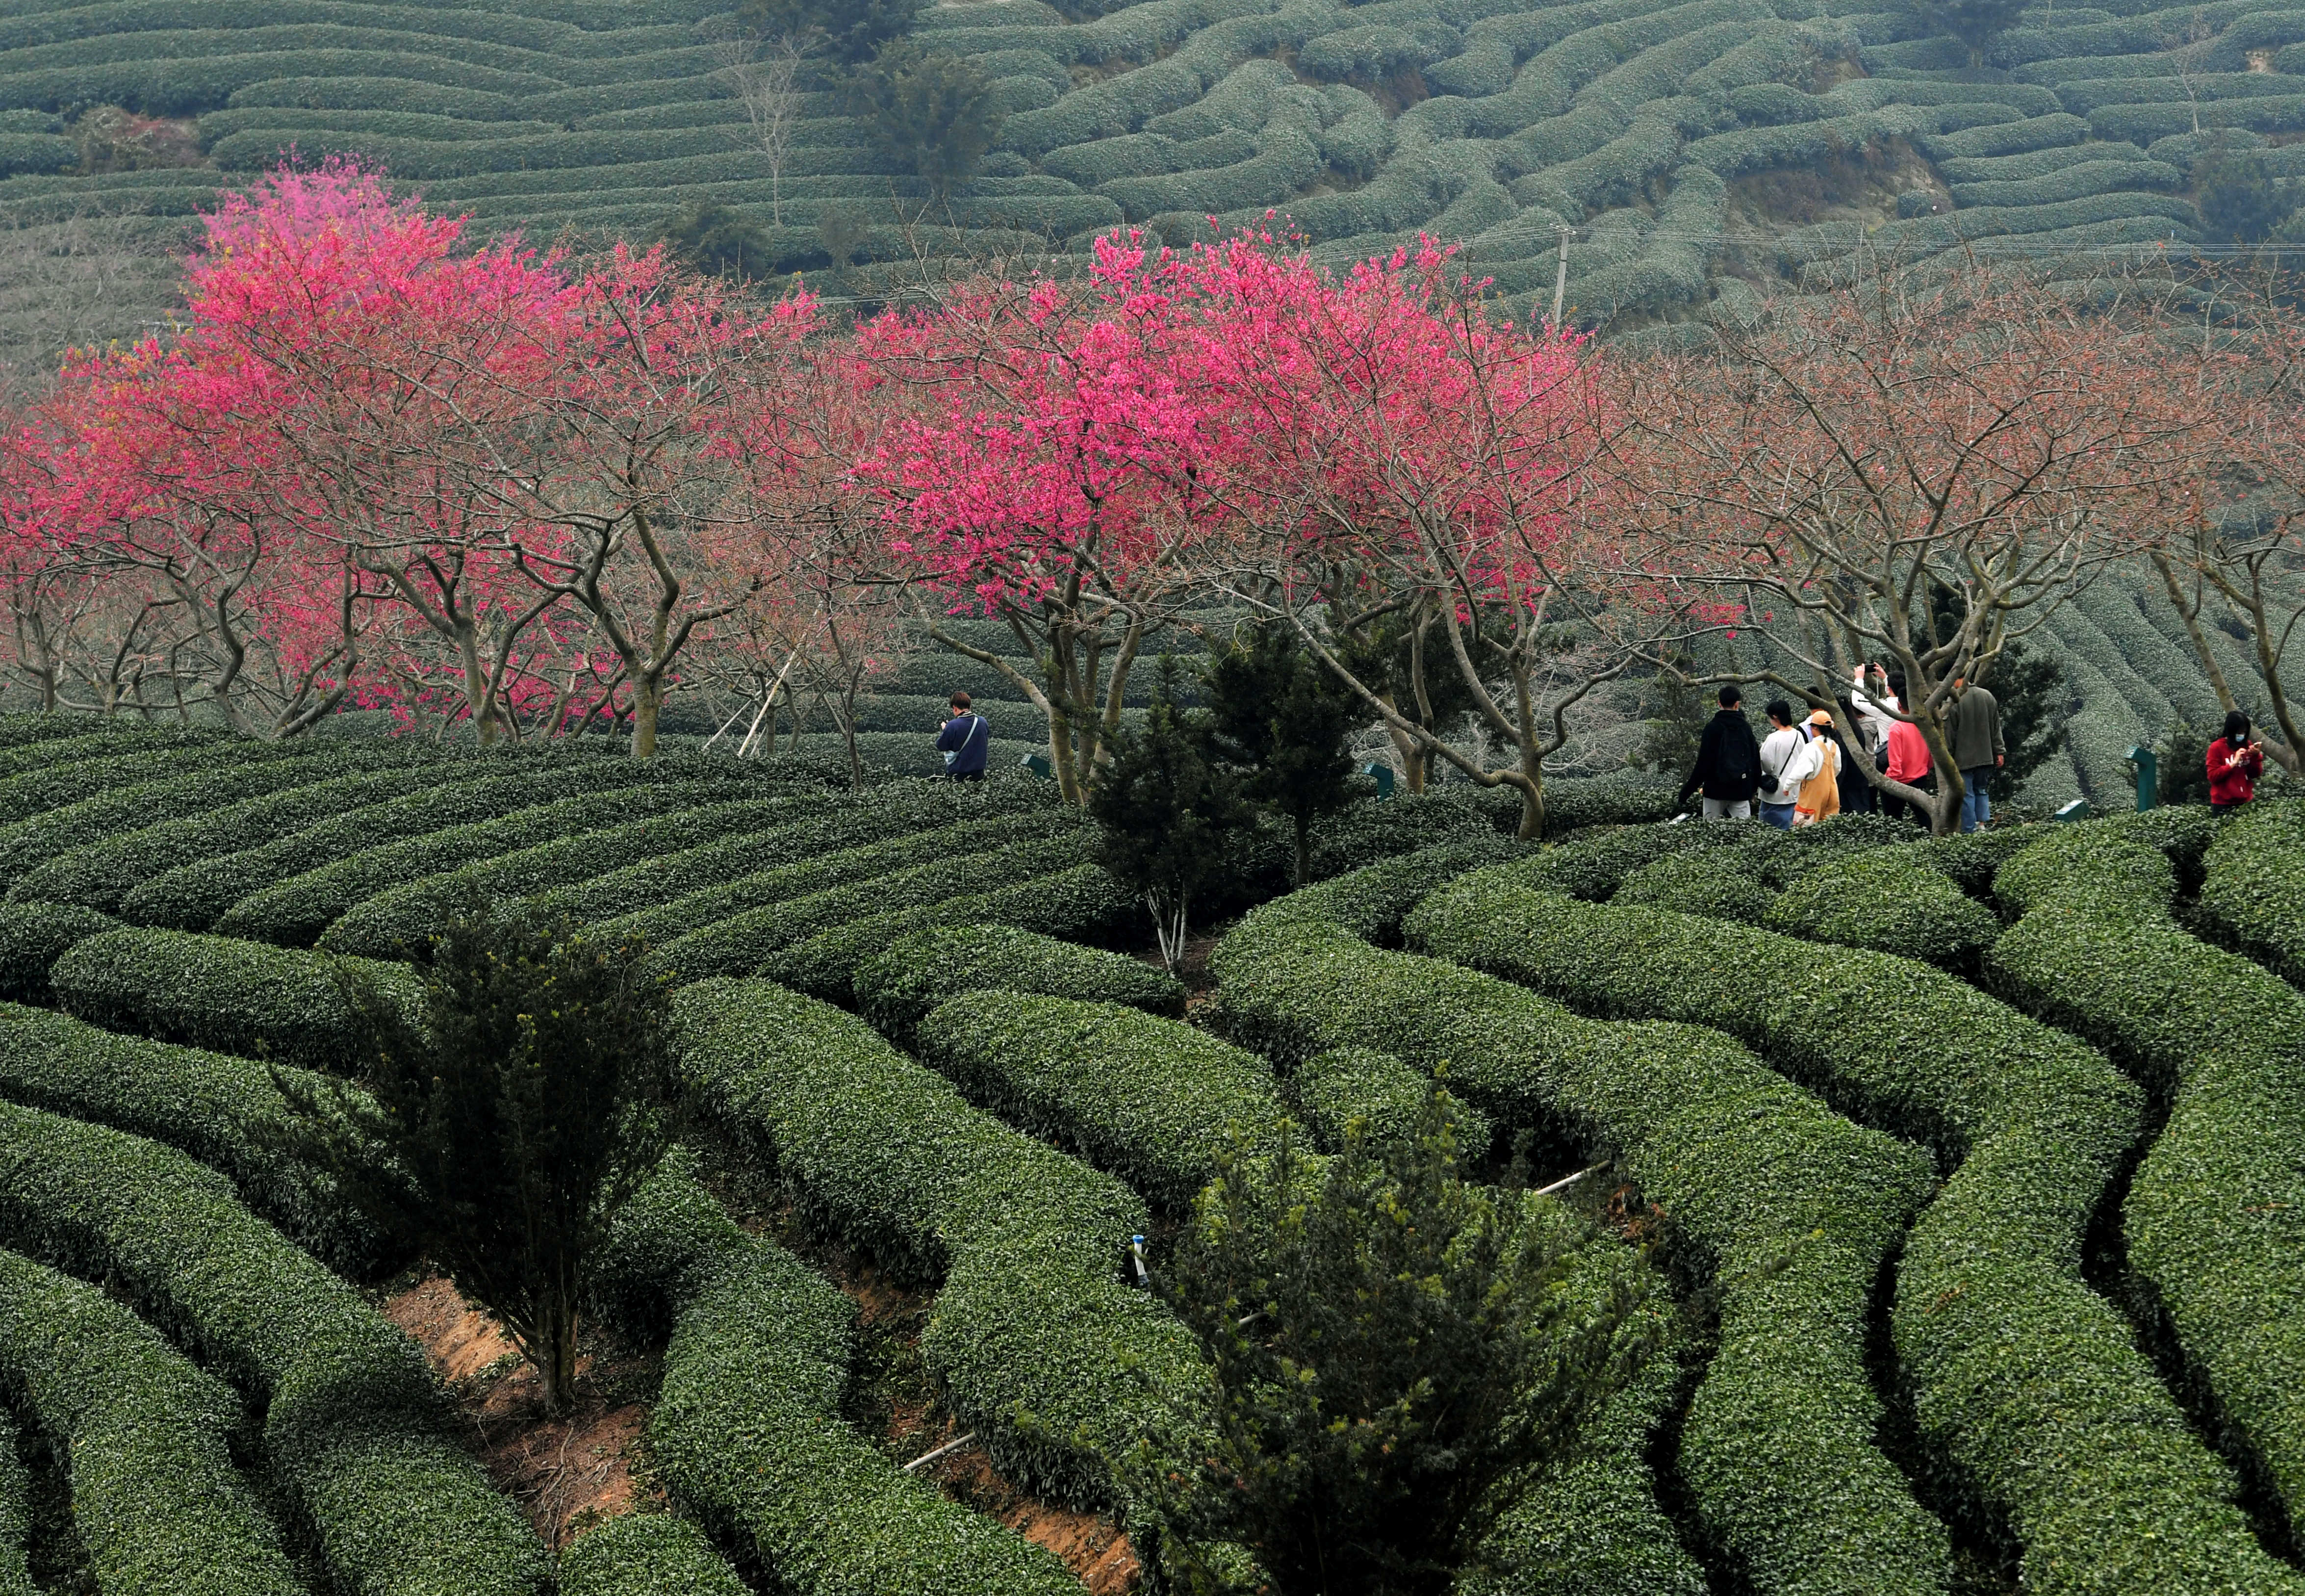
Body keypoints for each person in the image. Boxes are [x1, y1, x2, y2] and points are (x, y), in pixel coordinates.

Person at [1678, 685, 1762, 820]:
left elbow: (1703, 764)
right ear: (1737, 704)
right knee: (1746, 830)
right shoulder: (1745, 728)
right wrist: (1753, 789)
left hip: (1715, 789)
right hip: (1740, 789)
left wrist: (1685, 793)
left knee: (1711, 830)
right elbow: (1755, 760)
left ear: (1719, 703)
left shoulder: (1712, 728)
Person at [1947, 672, 2005, 834]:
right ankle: (1982, 825)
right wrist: (1999, 752)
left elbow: (1950, 734)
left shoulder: (1954, 701)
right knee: (1981, 790)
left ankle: (1968, 830)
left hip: (1963, 758)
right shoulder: (1987, 696)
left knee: (1967, 795)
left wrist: (1948, 757)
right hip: (1986, 756)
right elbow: (1996, 727)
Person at [1880, 675, 1933, 825]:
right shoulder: (1925, 725)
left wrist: (1887, 780)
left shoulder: (1897, 728)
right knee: (1925, 819)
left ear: (1899, 706)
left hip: (1900, 782)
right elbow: (1931, 758)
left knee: (1893, 821)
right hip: (1921, 776)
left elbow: (1896, 764)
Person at [1757, 700, 1816, 830]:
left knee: (1769, 828)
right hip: (1795, 790)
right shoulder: (1799, 735)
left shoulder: (1773, 738)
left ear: (1775, 717)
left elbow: (1767, 765)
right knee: (1791, 827)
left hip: (1775, 792)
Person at [2207, 709, 2267, 813]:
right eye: (2239, 732)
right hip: (2222, 805)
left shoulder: (2247, 745)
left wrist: (2256, 756)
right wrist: (2233, 764)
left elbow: (2255, 774)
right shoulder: (2216, 748)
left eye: (2244, 732)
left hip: (2245, 802)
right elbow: (2213, 776)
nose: (2242, 735)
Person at [1795, 708, 1843, 826]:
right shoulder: (1834, 746)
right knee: (1829, 826)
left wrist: (1788, 786)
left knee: (1807, 824)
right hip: (1832, 789)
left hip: (1813, 791)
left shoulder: (1812, 746)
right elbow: (1838, 768)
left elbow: (1800, 771)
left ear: (1815, 727)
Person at [1835, 697, 1877, 815]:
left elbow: (1843, 758)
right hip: (1859, 777)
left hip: (1848, 781)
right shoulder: (1856, 727)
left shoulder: (1844, 732)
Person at [936, 691, 990, 781]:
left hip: (959, 774)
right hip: (979, 774)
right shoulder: (983, 722)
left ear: (955, 708)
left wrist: (946, 730)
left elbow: (941, 746)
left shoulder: (953, 725)